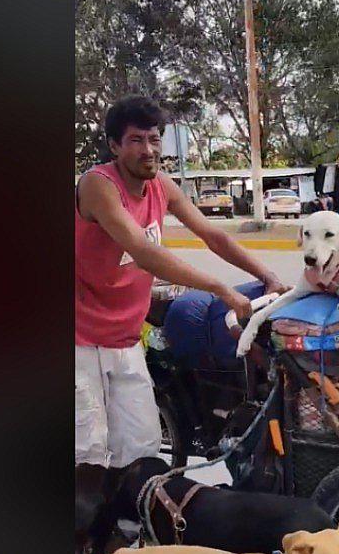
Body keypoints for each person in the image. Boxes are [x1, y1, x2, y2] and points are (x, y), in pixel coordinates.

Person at [75, 96, 287, 468]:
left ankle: (130, 521)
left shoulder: (161, 186)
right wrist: (220, 288)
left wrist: (266, 275)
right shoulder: (98, 185)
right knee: (87, 450)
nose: (148, 150)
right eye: (136, 140)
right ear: (114, 146)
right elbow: (143, 251)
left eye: (154, 139)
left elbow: (213, 235)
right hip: (79, 338)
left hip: (123, 336)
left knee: (141, 444)